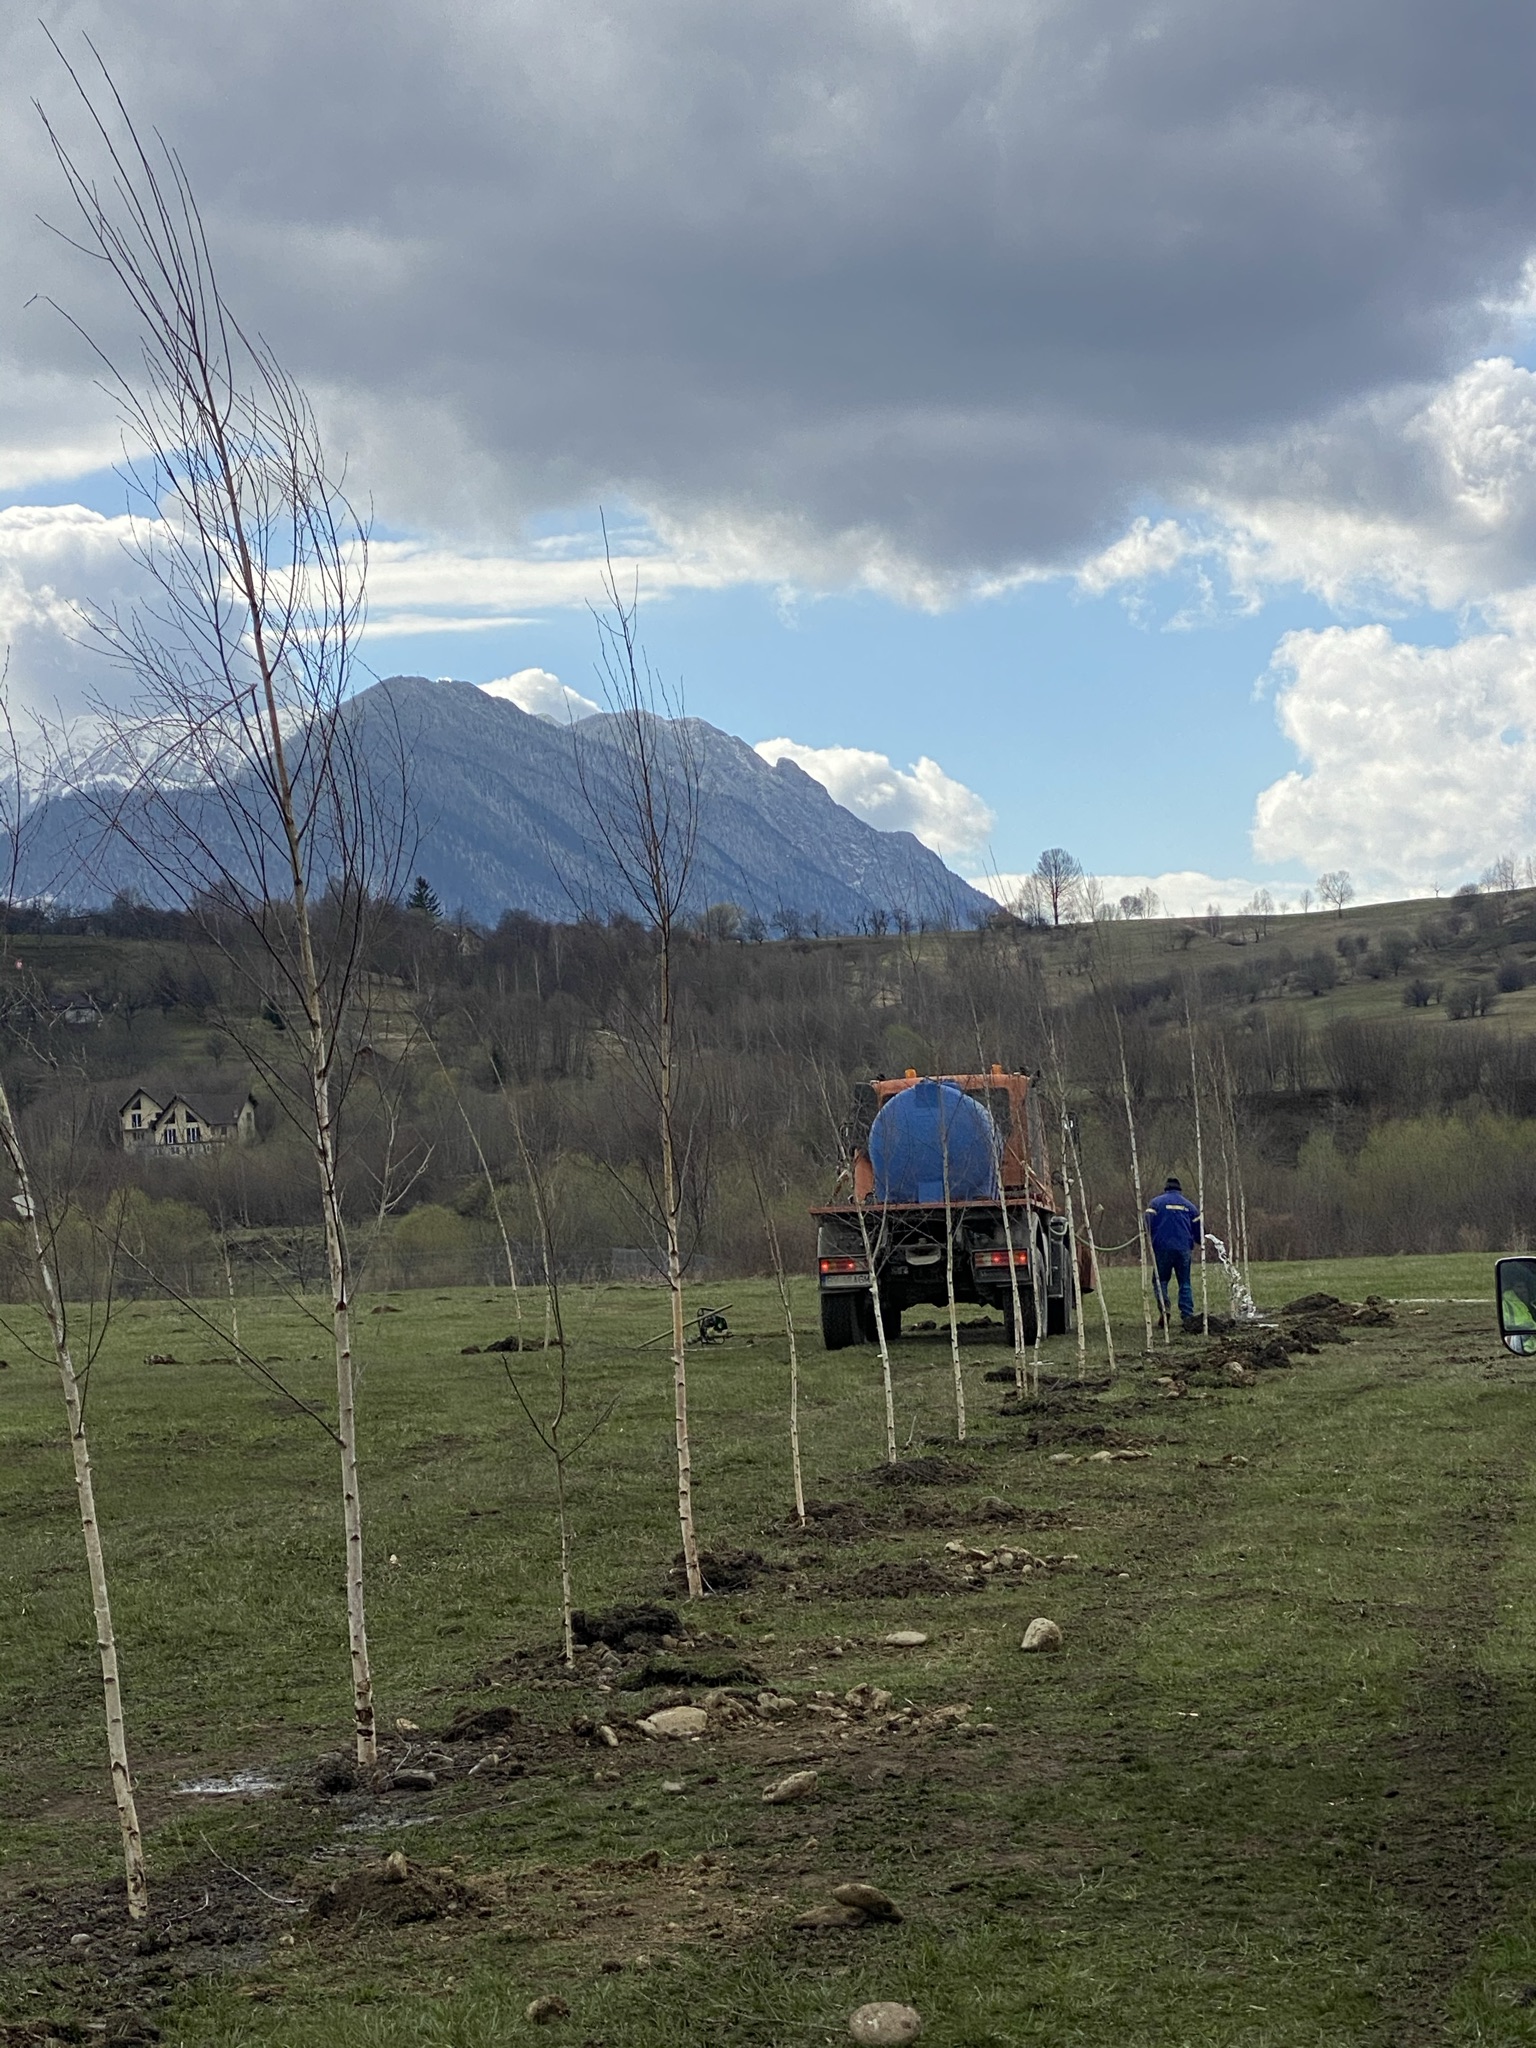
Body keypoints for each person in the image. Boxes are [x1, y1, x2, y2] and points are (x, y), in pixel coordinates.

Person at [1146, 1176, 1201, 1328]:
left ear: (1166, 1189)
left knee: (1160, 1280)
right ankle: (1187, 1315)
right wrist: (1199, 1241)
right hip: (1184, 1249)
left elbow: (1146, 1224)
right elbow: (1199, 1231)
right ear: (1179, 1189)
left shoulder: (1155, 1204)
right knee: (1185, 1282)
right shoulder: (1190, 1206)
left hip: (1162, 1248)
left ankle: (1164, 1308)